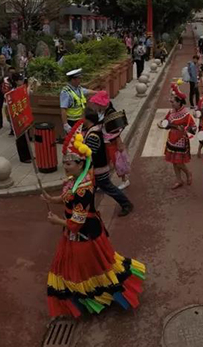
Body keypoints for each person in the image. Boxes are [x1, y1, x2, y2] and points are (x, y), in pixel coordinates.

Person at [42, 133, 145, 318]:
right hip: (76, 232)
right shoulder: (75, 180)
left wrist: (57, 221)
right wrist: (52, 199)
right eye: (64, 163)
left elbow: (77, 222)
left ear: (80, 164)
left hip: (84, 233)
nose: (65, 167)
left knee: (89, 268)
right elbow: (67, 199)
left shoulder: (83, 189)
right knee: (82, 267)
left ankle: (99, 298)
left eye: (68, 164)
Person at [81, 107, 133, 216]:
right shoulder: (94, 130)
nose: (81, 119)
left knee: (109, 189)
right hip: (96, 168)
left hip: (98, 169)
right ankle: (89, 210)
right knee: (91, 190)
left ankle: (126, 204)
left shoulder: (93, 135)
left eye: (82, 117)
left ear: (87, 119)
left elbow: (91, 153)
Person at [161, 84, 195, 189]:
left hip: (181, 140)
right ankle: (178, 179)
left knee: (178, 162)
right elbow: (165, 122)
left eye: (174, 102)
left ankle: (188, 173)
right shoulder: (171, 112)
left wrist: (185, 129)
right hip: (171, 139)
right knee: (174, 162)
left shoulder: (186, 114)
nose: (172, 104)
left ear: (179, 102)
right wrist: (162, 124)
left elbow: (193, 128)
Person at [60, 69, 92, 136]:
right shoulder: (66, 92)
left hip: (80, 120)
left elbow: (86, 91)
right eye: (79, 78)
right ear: (73, 80)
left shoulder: (78, 88)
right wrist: (65, 124)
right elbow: (63, 109)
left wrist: (98, 92)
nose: (80, 80)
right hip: (71, 122)